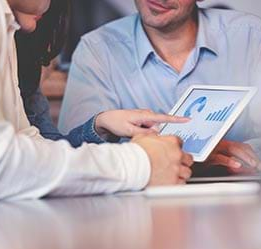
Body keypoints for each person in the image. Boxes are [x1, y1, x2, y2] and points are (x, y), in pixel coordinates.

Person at [0, 0, 193, 204]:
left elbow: (29, 141)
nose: (54, 5)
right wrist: (139, 162)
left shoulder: (1, 21)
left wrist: (106, 131)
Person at [59, 0, 261, 175]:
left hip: (239, 205)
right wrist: (189, 155)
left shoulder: (251, 36)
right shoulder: (97, 50)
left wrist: (232, 153)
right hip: (138, 209)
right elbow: (74, 152)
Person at [16, 0, 191, 147]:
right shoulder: (97, 47)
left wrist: (101, 123)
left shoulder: (23, 64)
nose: (46, 5)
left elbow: (52, 150)